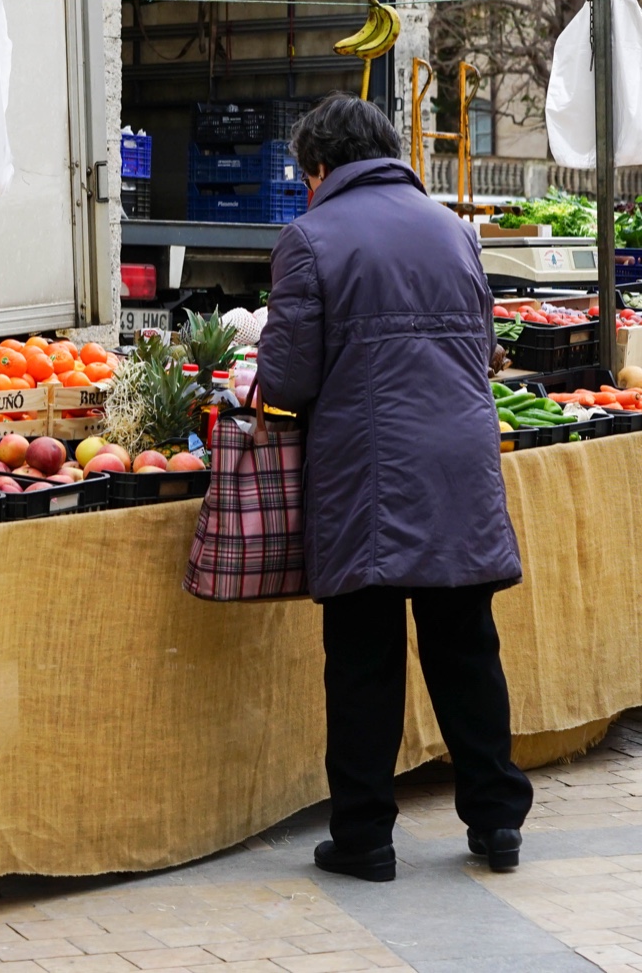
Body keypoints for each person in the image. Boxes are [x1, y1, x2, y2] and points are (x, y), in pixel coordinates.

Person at [256, 95, 531, 883]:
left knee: (365, 656)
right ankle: (498, 820)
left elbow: (286, 378)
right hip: (459, 463)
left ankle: (366, 836)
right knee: (466, 646)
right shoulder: (454, 228)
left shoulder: (310, 238)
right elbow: (482, 351)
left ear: (320, 166)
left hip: (367, 472)